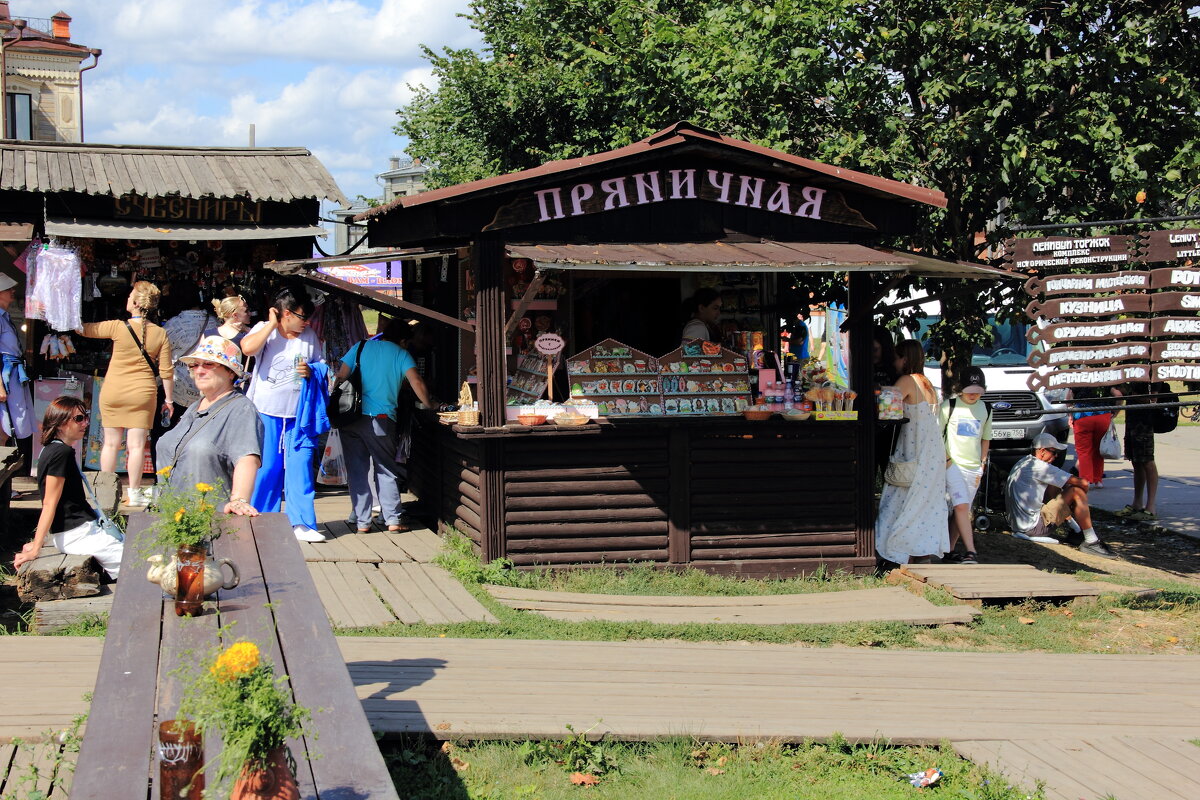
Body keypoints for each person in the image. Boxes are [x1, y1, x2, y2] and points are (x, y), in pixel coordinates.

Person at [241, 287, 327, 542]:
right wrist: (270, 324)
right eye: (302, 317)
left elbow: (322, 366)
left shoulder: (309, 335)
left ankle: (301, 522)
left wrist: (312, 371)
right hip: (265, 411)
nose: (306, 323)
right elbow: (247, 348)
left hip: (299, 415)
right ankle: (261, 518)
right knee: (267, 468)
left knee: (301, 467)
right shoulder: (263, 330)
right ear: (286, 314)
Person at [335, 318, 435, 533]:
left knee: (357, 470)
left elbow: (340, 376)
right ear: (402, 340)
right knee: (385, 468)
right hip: (380, 419)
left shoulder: (360, 346)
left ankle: (362, 522)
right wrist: (429, 404)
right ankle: (392, 519)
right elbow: (416, 382)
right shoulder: (401, 354)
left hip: (350, 418)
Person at [80, 281, 174, 509]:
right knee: (136, 446)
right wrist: (169, 401)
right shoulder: (160, 333)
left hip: (113, 391)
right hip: (143, 394)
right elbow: (166, 371)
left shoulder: (116, 327)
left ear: (134, 303)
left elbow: (83, 329)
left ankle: (103, 492)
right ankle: (134, 493)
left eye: (130, 296)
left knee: (110, 444)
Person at [13, 397, 123, 577]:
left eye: (85, 417)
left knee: (138, 557)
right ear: (60, 423)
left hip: (79, 531)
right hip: (78, 534)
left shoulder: (52, 449)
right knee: (138, 566)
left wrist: (36, 543)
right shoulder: (60, 453)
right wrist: (36, 548)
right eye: (78, 419)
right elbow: (49, 504)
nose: (85, 423)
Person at [155, 336, 263, 516]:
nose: (199, 371)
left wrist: (239, 500)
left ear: (230, 372)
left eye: (208, 364)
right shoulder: (194, 407)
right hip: (170, 519)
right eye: (195, 365)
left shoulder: (241, 409)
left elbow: (247, 459)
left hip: (208, 522)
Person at [875, 340, 950, 566]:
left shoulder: (906, 380)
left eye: (897, 357)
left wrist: (877, 393)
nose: (894, 362)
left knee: (897, 500)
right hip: (931, 451)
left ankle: (893, 552)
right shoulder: (926, 382)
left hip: (914, 450)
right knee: (923, 504)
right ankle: (921, 553)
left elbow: (886, 412)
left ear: (904, 359)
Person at [1005, 433, 1115, 558]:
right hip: (1032, 528)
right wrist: (1078, 501)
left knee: (1057, 485)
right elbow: (1083, 483)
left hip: (1019, 524)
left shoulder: (1024, 462)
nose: (1056, 456)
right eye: (1054, 452)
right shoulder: (1041, 467)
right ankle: (1091, 541)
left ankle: (1076, 530)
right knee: (1076, 492)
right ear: (1042, 451)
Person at [939, 370, 992, 562]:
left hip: (974, 467)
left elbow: (986, 438)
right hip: (952, 464)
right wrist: (946, 460)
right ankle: (971, 551)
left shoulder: (986, 409)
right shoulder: (949, 406)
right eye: (969, 390)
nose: (973, 394)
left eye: (978, 391)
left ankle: (949, 550)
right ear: (960, 389)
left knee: (961, 510)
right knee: (961, 506)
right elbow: (937, 434)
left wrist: (982, 463)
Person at [161, 280, 216, 417]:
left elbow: (161, 352)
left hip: (178, 389)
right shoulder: (214, 322)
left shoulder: (173, 324)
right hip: (206, 387)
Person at [1116, 381, 1159, 522]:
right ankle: (1137, 503)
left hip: (1144, 423)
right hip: (1132, 420)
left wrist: (1132, 394)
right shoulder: (1131, 371)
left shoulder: (1152, 374)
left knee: (1147, 461)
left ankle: (1150, 507)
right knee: (1136, 461)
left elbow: (1153, 399)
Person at [0, 272, 33, 447]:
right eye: (7, 289)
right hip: (5, 374)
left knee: (18, 416)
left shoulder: (5, 317)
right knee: (9, 420)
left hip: (13, 372)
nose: (13, 291)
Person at [1067, 385, 1121, 487]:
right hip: (1103, 415)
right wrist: (1115, 412)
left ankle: (1085, 479)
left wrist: (1070, 412)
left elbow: (1068, 399)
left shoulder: (1079, 380)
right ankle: (1098, 480)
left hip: (1082, 416)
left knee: (1083, 451)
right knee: (1098, 449)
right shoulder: (1104, 379)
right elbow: (1118, 394)